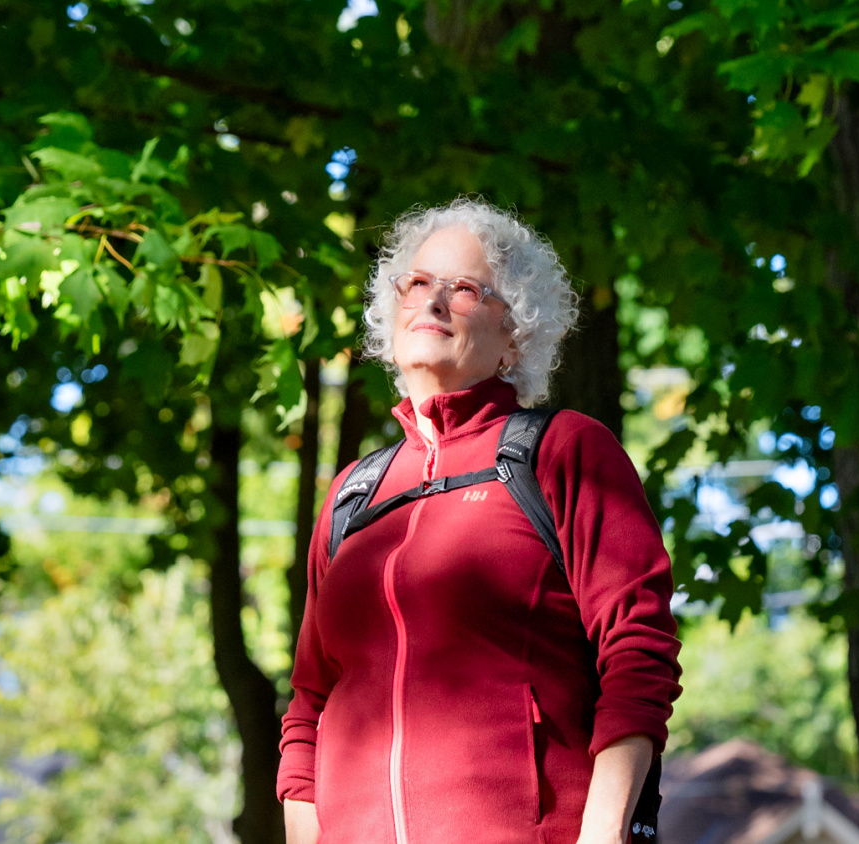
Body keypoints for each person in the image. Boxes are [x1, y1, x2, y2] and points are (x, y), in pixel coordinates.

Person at [277, 197, 683, 844]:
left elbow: (637, 655)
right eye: (417, 282)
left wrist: (602, 834)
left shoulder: (563, 451)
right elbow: (308, 708)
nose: (432, 302)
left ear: (514, 333)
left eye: (464, 289)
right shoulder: (352, 495)